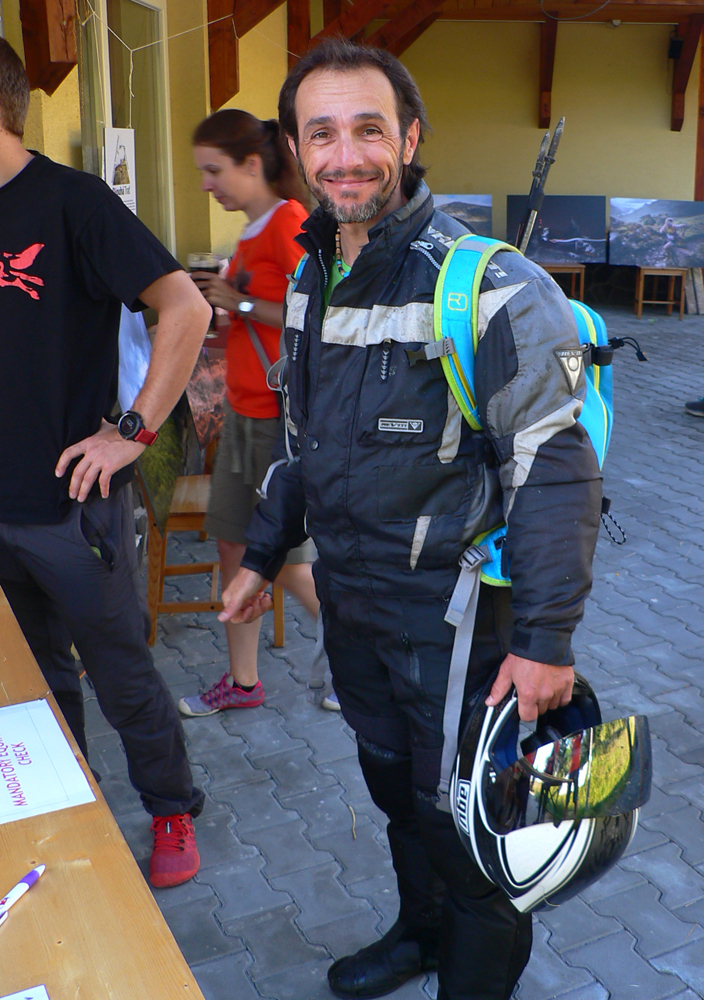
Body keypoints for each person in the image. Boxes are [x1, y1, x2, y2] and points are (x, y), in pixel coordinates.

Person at [218, 39, 602, 1000]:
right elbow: (305, 449)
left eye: (369, 129)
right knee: (397, 793)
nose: (346, 155)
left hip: (462, 628)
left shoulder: (493, 287)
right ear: (296, 151)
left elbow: (555, 472)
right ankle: (420, 937)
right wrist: (262, 555)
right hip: (355, 610)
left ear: (411, 138)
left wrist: (547, 644)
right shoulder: (308, 281)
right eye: (322, 134)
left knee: (477, 836)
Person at [0, 39, 212, 888]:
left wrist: (133, 430)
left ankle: (171, 808)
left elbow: (184, 308)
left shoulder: (73, 202)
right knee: (35, 681)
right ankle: (70, 808)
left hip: (71, 504)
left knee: (121, 672)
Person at [180, 109, 339, 716]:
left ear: (252, 164)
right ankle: (243, 683)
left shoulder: (289, 222)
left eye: (214, 170)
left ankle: (358, 665)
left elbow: (318, 315)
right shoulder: (252, 232)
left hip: (278, 421)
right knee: (233, 547)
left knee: (290, 564)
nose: (205, 184)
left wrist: (238, 301)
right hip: (243, 415)